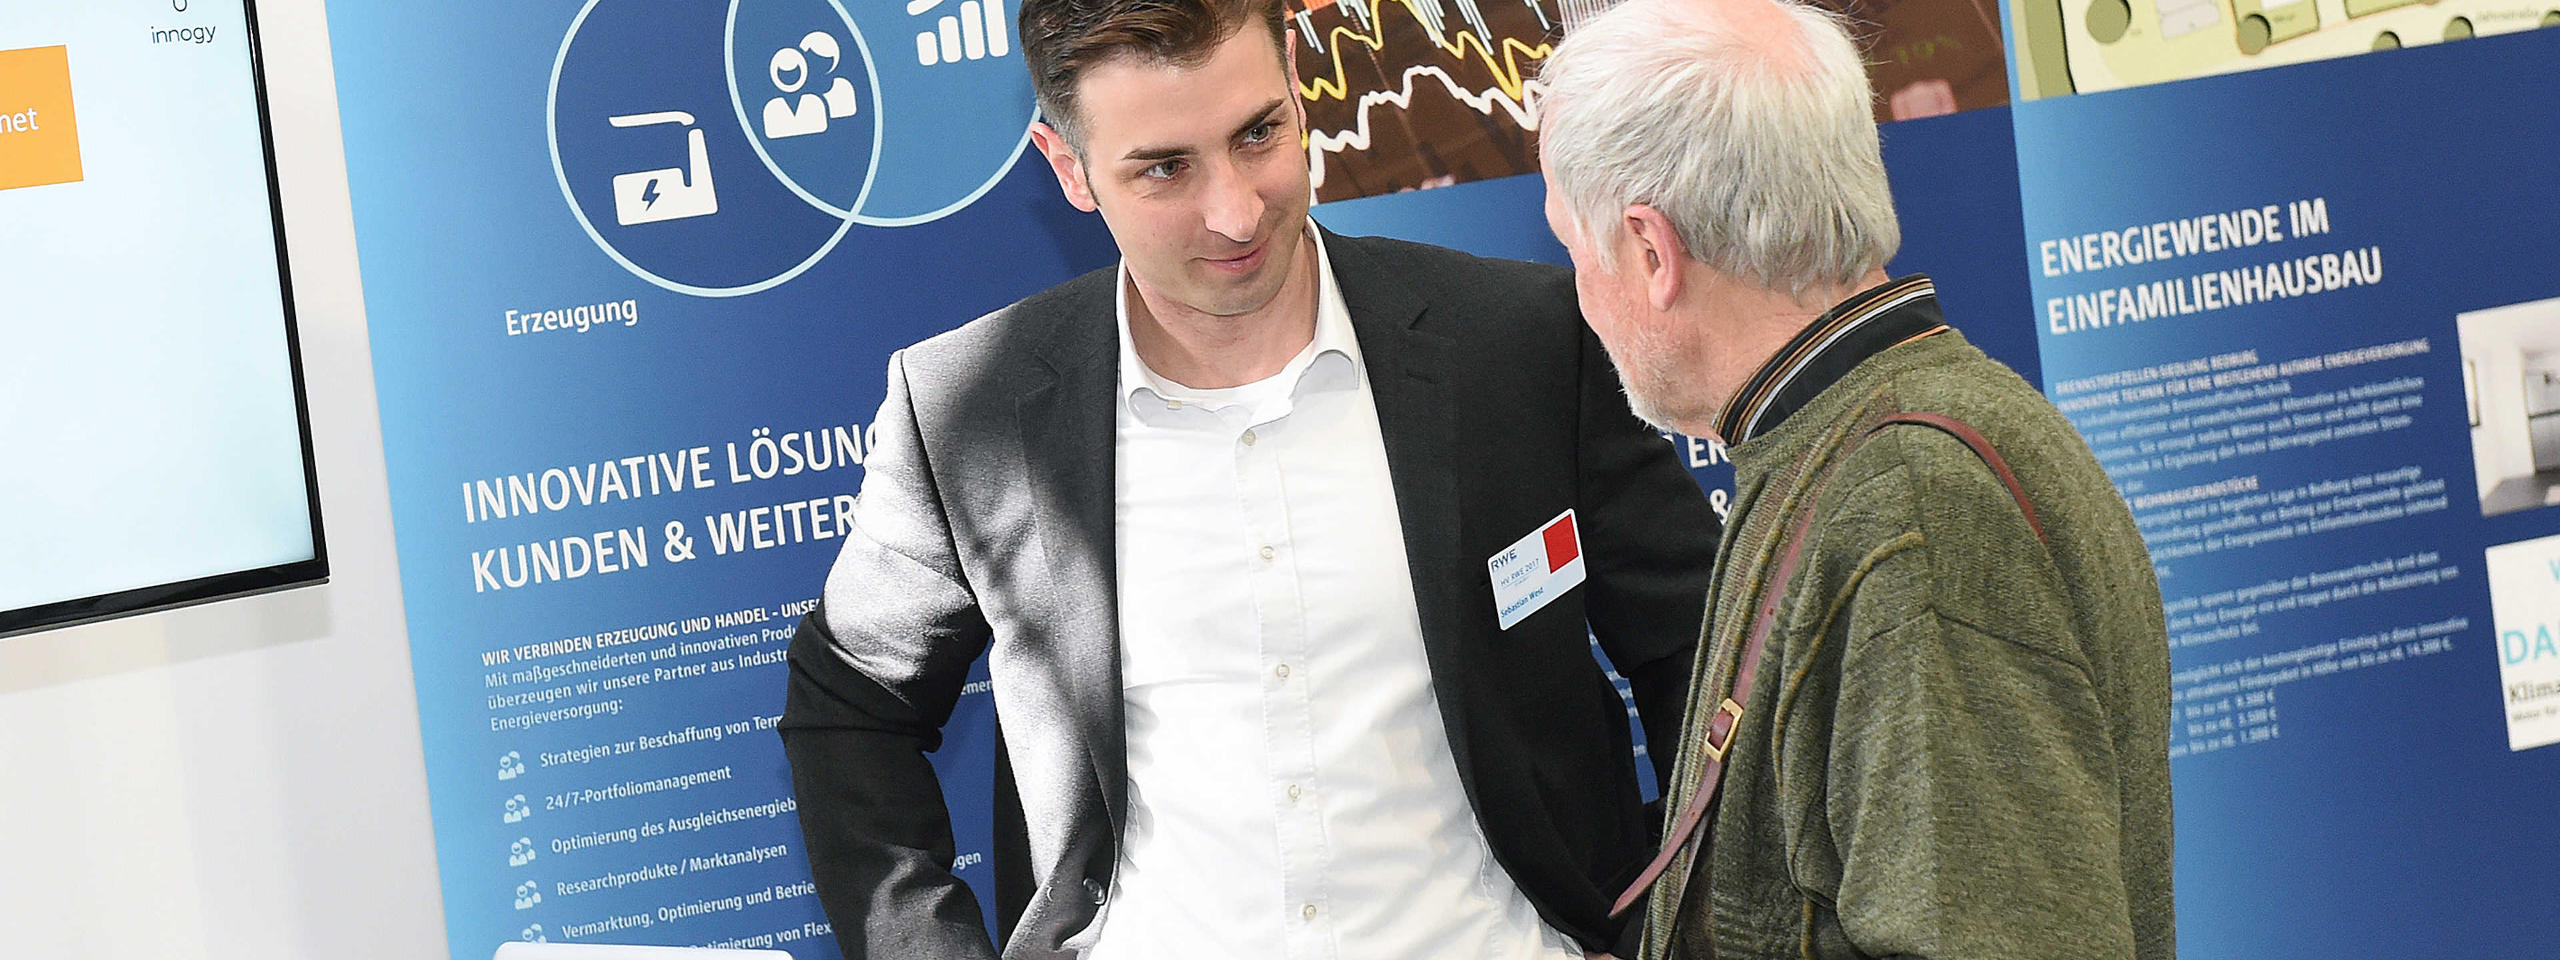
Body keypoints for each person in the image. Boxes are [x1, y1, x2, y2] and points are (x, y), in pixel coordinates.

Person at [778, 0, 1719, 955]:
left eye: (1258, 134)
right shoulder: (967, 413)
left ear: (1299, 89)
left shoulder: (1520, 342)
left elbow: (1702, 643)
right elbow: (850, 705)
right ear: (1069, 169)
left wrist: (1685, 923)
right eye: (1164, 168)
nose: (1235, 211)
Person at [1533, 1, 2175, 958]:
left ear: (1651, 250)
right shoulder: (1851, 446)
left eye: (1575, 253)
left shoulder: (1914, 505)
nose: (1581, 293)